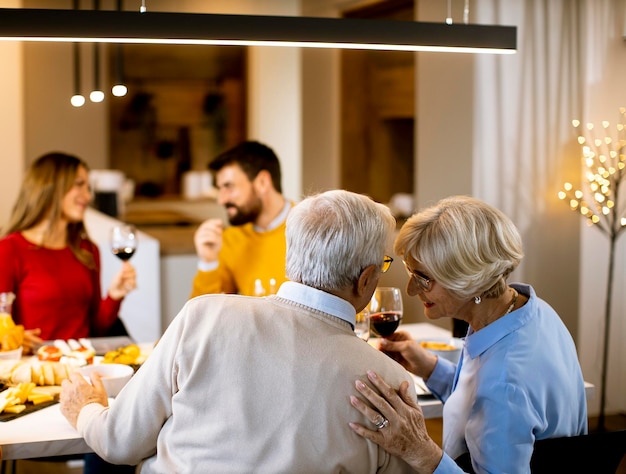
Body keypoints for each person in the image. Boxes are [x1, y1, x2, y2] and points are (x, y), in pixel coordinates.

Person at [60, 190, 416, 472]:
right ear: (367, 277)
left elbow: (119, 442)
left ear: (291, 254)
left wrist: (87, 409)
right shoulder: (390, 382)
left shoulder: (204, 314)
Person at [348, 195, 587, 473]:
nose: (412, 289)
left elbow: (498, 395)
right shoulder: (531, 312)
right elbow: (481, 406)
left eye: (423, 277)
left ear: (468, 280)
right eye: (410, 271)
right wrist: (430, 367)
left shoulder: (502, 386)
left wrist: (420, 451)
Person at [0, 152, 137, 353]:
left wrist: (114, 296)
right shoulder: (10, 250)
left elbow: (97, 328)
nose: (88, 196)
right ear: (50, 187)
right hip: (37, 368)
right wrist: (14, 339)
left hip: (83, 363)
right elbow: (3, 327)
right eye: (79, 184)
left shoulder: (87, 250)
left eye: (88, 187)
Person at [190, 140, 292, 298]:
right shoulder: (231, 239)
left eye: (228, 186)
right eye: (219, 189)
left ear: (262, 182)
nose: (221, 200)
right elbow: (203, 314)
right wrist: (208, 262)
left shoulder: (312, 230)